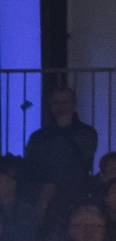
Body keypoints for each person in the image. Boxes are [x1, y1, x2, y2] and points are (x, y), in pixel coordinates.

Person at [24, 85, 98, 218]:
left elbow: (83, 160)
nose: (60, 107)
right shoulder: (39, 136)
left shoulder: (86, 132)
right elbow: (31, 163)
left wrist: (63, 132)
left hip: (74, 194)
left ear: (74, 104)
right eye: (56, 103)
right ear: (50, 105)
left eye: (65, 102)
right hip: (41, 194)